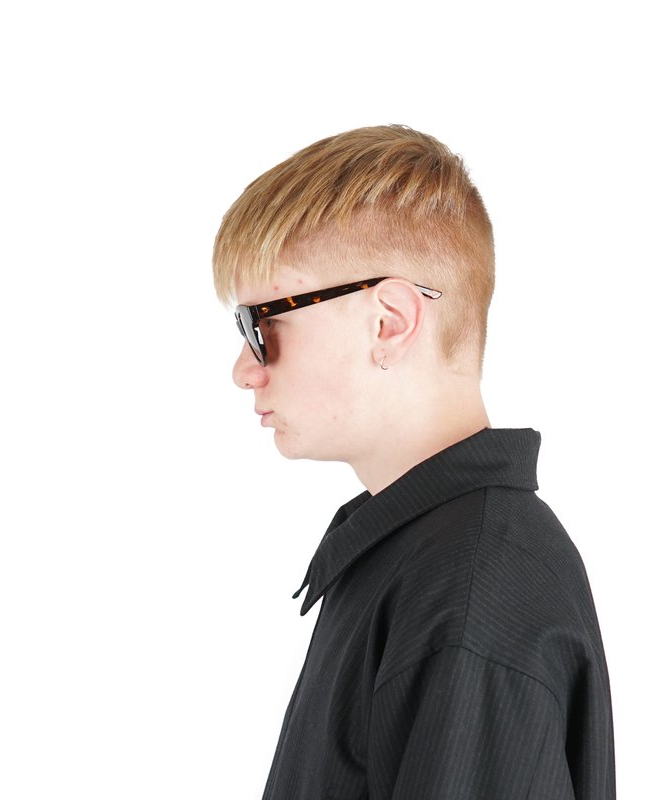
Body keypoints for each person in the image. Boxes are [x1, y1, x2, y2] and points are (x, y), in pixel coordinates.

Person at [212, 125, 615, 799]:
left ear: (389, 321)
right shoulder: (417, 558)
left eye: (265, 324)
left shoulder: (471, 591)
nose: (243, 369)